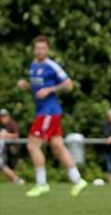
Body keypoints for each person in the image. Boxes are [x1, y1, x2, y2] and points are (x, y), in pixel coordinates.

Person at [15, 36, 87, 197]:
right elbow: (36, 89)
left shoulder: (52, 66)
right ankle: (77, 180)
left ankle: (41, 183)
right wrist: (26, 86)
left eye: (43, 48)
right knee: (57, 146)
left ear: (48, 50)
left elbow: (69, 85)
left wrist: (50, 90)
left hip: (49, 111)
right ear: (34, 50)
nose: (40, 51)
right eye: (37, 48)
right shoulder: (33, 65)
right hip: (43, 111)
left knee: (32, 145)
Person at [0, 108, 23, 184]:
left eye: (4, 116)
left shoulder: (12, 123)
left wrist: (5, 135)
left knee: (4, 166)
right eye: (1, 116)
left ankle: (16, 180)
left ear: (8, 116)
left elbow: (16, 135)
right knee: (4, 166)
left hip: (13, 148)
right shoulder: (2, 125)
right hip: (4, 149)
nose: (2, 118)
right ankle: (15, 180)